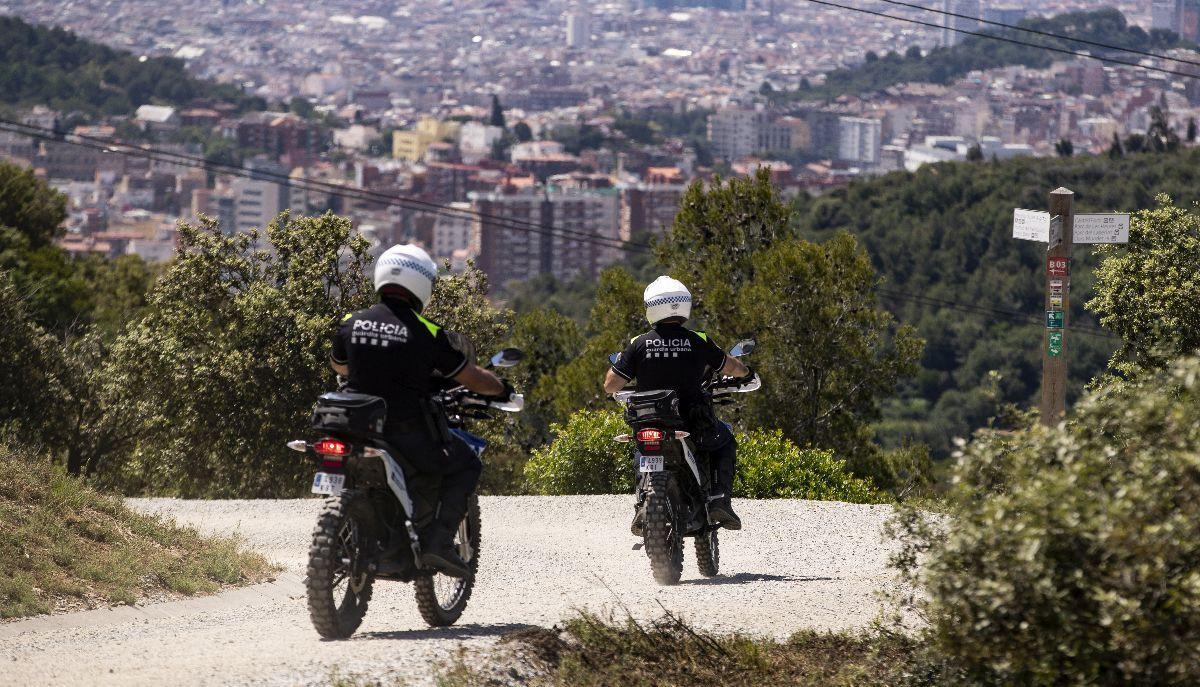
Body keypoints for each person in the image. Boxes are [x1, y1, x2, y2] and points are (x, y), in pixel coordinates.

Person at [329, 244, 513, 577]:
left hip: (353, 426)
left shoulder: (351, 322)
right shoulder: (427, 332)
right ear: (422, 283)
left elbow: (340, 367)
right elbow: (470, 377)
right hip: (403, 432)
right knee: (466, 463)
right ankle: (438, 544)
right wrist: (501, 388)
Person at [603, 276, 751, 531]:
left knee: (642, 443)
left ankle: (643, 504)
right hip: (692, 420)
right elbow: (730, 366)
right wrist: (747, 373)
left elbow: (611, 385)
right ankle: (719, 500)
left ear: (652, 307)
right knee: (725, 439)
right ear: (684, 306)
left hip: (649, 418)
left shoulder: (639, 342)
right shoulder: (698, 339)